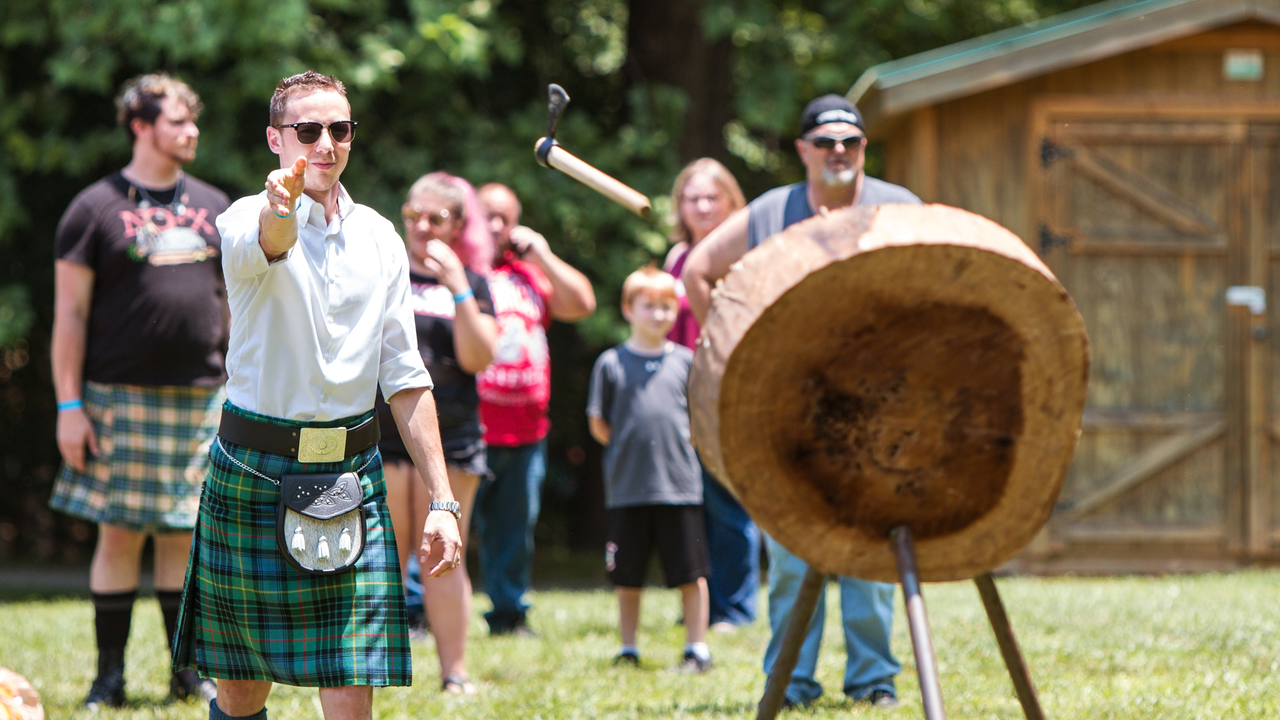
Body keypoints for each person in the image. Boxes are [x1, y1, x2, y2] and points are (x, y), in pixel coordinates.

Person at [172, 70, 464, 720]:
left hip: (350, 476)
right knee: (241, 688)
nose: (325, 144)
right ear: (275, 138)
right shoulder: (244, 217)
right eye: (307, 130)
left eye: (339, 128)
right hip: (255, 469)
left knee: (350, 678)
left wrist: (443, 501)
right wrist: (281, 210)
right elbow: (271, 243)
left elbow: (405, 375)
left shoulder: (382, 238)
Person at [683, 94, 921, 710]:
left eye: (850, 141)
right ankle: (790, 682)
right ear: (803, 150)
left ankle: (873, 679)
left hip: (879, 405)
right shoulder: (773, 210)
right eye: (825, 142)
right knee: (792, 549)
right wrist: (730, 347)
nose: (838, 151)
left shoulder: (899, 207)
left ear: (863, 147)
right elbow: (698, 269)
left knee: (871, 544)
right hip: (790, 406)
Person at [48, 72, 228, 709]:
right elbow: (70, 315)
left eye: (192, 119)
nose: (192, 131)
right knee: (120, 533)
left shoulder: (214, 204)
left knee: (183, 534)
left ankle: (186, 673)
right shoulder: (93, 207)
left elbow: (234, 301)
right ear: (140, 126)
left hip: (202, 394)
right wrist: (69, 405)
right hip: (118, 395)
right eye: (178, 121)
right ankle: (109, 679)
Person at [376, 171, 498, 694]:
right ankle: (376, 670)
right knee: (383, 555)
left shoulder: (474, 282)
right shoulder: (384, 270)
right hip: (384, 431)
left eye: (435, 218)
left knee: (442, 557)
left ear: (457, 225)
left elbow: (478, 357)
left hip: (452, 437)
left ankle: (455, 673)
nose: (421, 226)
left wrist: (459, 287)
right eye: (413, 215)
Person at [473, 183, 596, 636]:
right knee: (447, 524)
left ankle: (509, 614)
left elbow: (582, 303)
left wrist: (542, 254)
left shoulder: (528, 274)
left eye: (505, 217)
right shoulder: (460, 270)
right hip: (470, 428)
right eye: (487, 214)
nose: (495, 225)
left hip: (526, 431)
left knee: (514, 530)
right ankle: (420, 611)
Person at [586, 266, 711, 673]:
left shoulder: (687, 362)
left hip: (680, 487)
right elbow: (598, 423)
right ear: (628, 309)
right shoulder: (611, 363)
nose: (658, 315)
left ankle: (697, 648)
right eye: (649, 306)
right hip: (627, 489)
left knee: (691, 573)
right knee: (627, 576)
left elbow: (699, 422)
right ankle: (628, 648)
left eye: (667, 307)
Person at [661, 158, 758, 632]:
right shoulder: (676, 258)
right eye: (692, 198)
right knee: (689, 502)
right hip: (681, 393)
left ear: (730, 202)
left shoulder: (745, 256)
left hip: (728, 389)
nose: (701, 206)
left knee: (727, 502)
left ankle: (734, 609)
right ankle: (700, 605)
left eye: (711, 198)